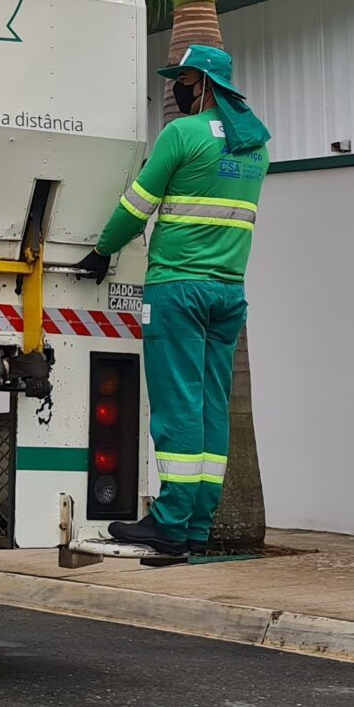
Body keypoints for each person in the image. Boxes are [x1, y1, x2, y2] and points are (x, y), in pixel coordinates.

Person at [76, 43, 270, 559]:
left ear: (205, 84)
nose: (177, 89)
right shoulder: (255, 146)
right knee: (210, 406)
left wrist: (101, 251)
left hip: (178, 288)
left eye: (183, 80)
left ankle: (169, 518)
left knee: (177, 404)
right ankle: (196, 522)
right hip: (228, 292)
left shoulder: (181, 134)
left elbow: (137, 204)